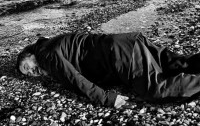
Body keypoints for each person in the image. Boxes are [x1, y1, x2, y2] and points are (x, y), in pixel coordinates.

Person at [16, 31, 200, 108]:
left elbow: (74, 79)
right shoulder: (50, 44)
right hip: (127, 42)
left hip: (120, 54)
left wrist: (108, 99)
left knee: (155, 90)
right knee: (177, 64)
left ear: (30, 54)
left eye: (27, 67)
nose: (32, 73)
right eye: (29, 75)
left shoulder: (45, 56)